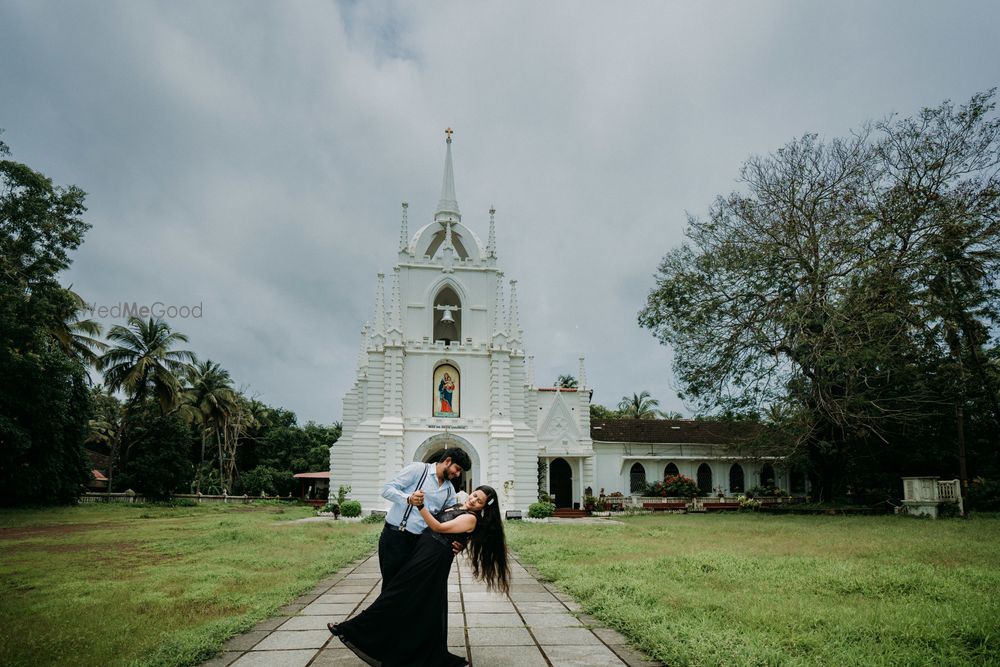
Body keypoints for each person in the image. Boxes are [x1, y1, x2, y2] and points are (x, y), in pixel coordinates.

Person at [329, 485, 511, 667]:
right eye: (474, 495)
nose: (473, 500)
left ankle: (351, 629)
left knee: (397, 594)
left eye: (479, 501)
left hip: (432, 560)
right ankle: (405, 646)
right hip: (423, 552)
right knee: (418, 603)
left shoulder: (471, 519)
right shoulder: (458, 506)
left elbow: (438, 526)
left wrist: (420, 505)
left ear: (484, 507)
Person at [378, 447, 472, 590]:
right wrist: (408, 498)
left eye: (460, 472)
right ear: (447, 461)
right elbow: (386, 489)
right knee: (391, 588)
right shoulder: (419, 470)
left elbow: (452, 519)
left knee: (412, 589)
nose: (458, 474)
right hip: (396, 537)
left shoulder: (449, 491)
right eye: (457, 469)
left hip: (421, 544)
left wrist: (460, 542)